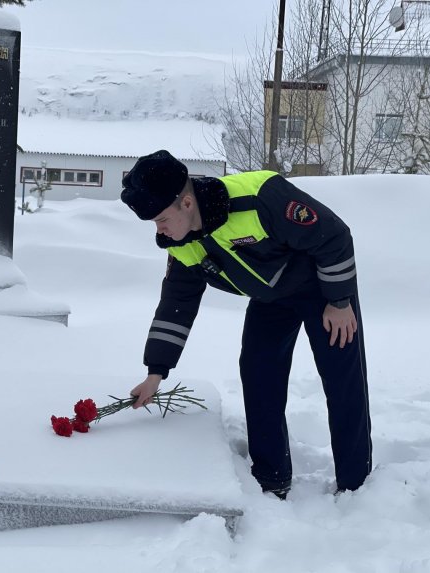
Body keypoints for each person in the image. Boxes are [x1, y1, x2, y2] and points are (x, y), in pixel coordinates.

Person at [121, 150, 372, 498]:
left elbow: (334, 236)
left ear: (187, 203)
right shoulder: (181, 244)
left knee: (342, 380)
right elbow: (176, 303)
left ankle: (355, 483)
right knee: (258, 373)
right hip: (272, 298)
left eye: (161, 218)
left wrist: (340, 300)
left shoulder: (259, 197)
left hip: (322, 289)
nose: (159, 229)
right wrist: (156, 372)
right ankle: (272, 477)